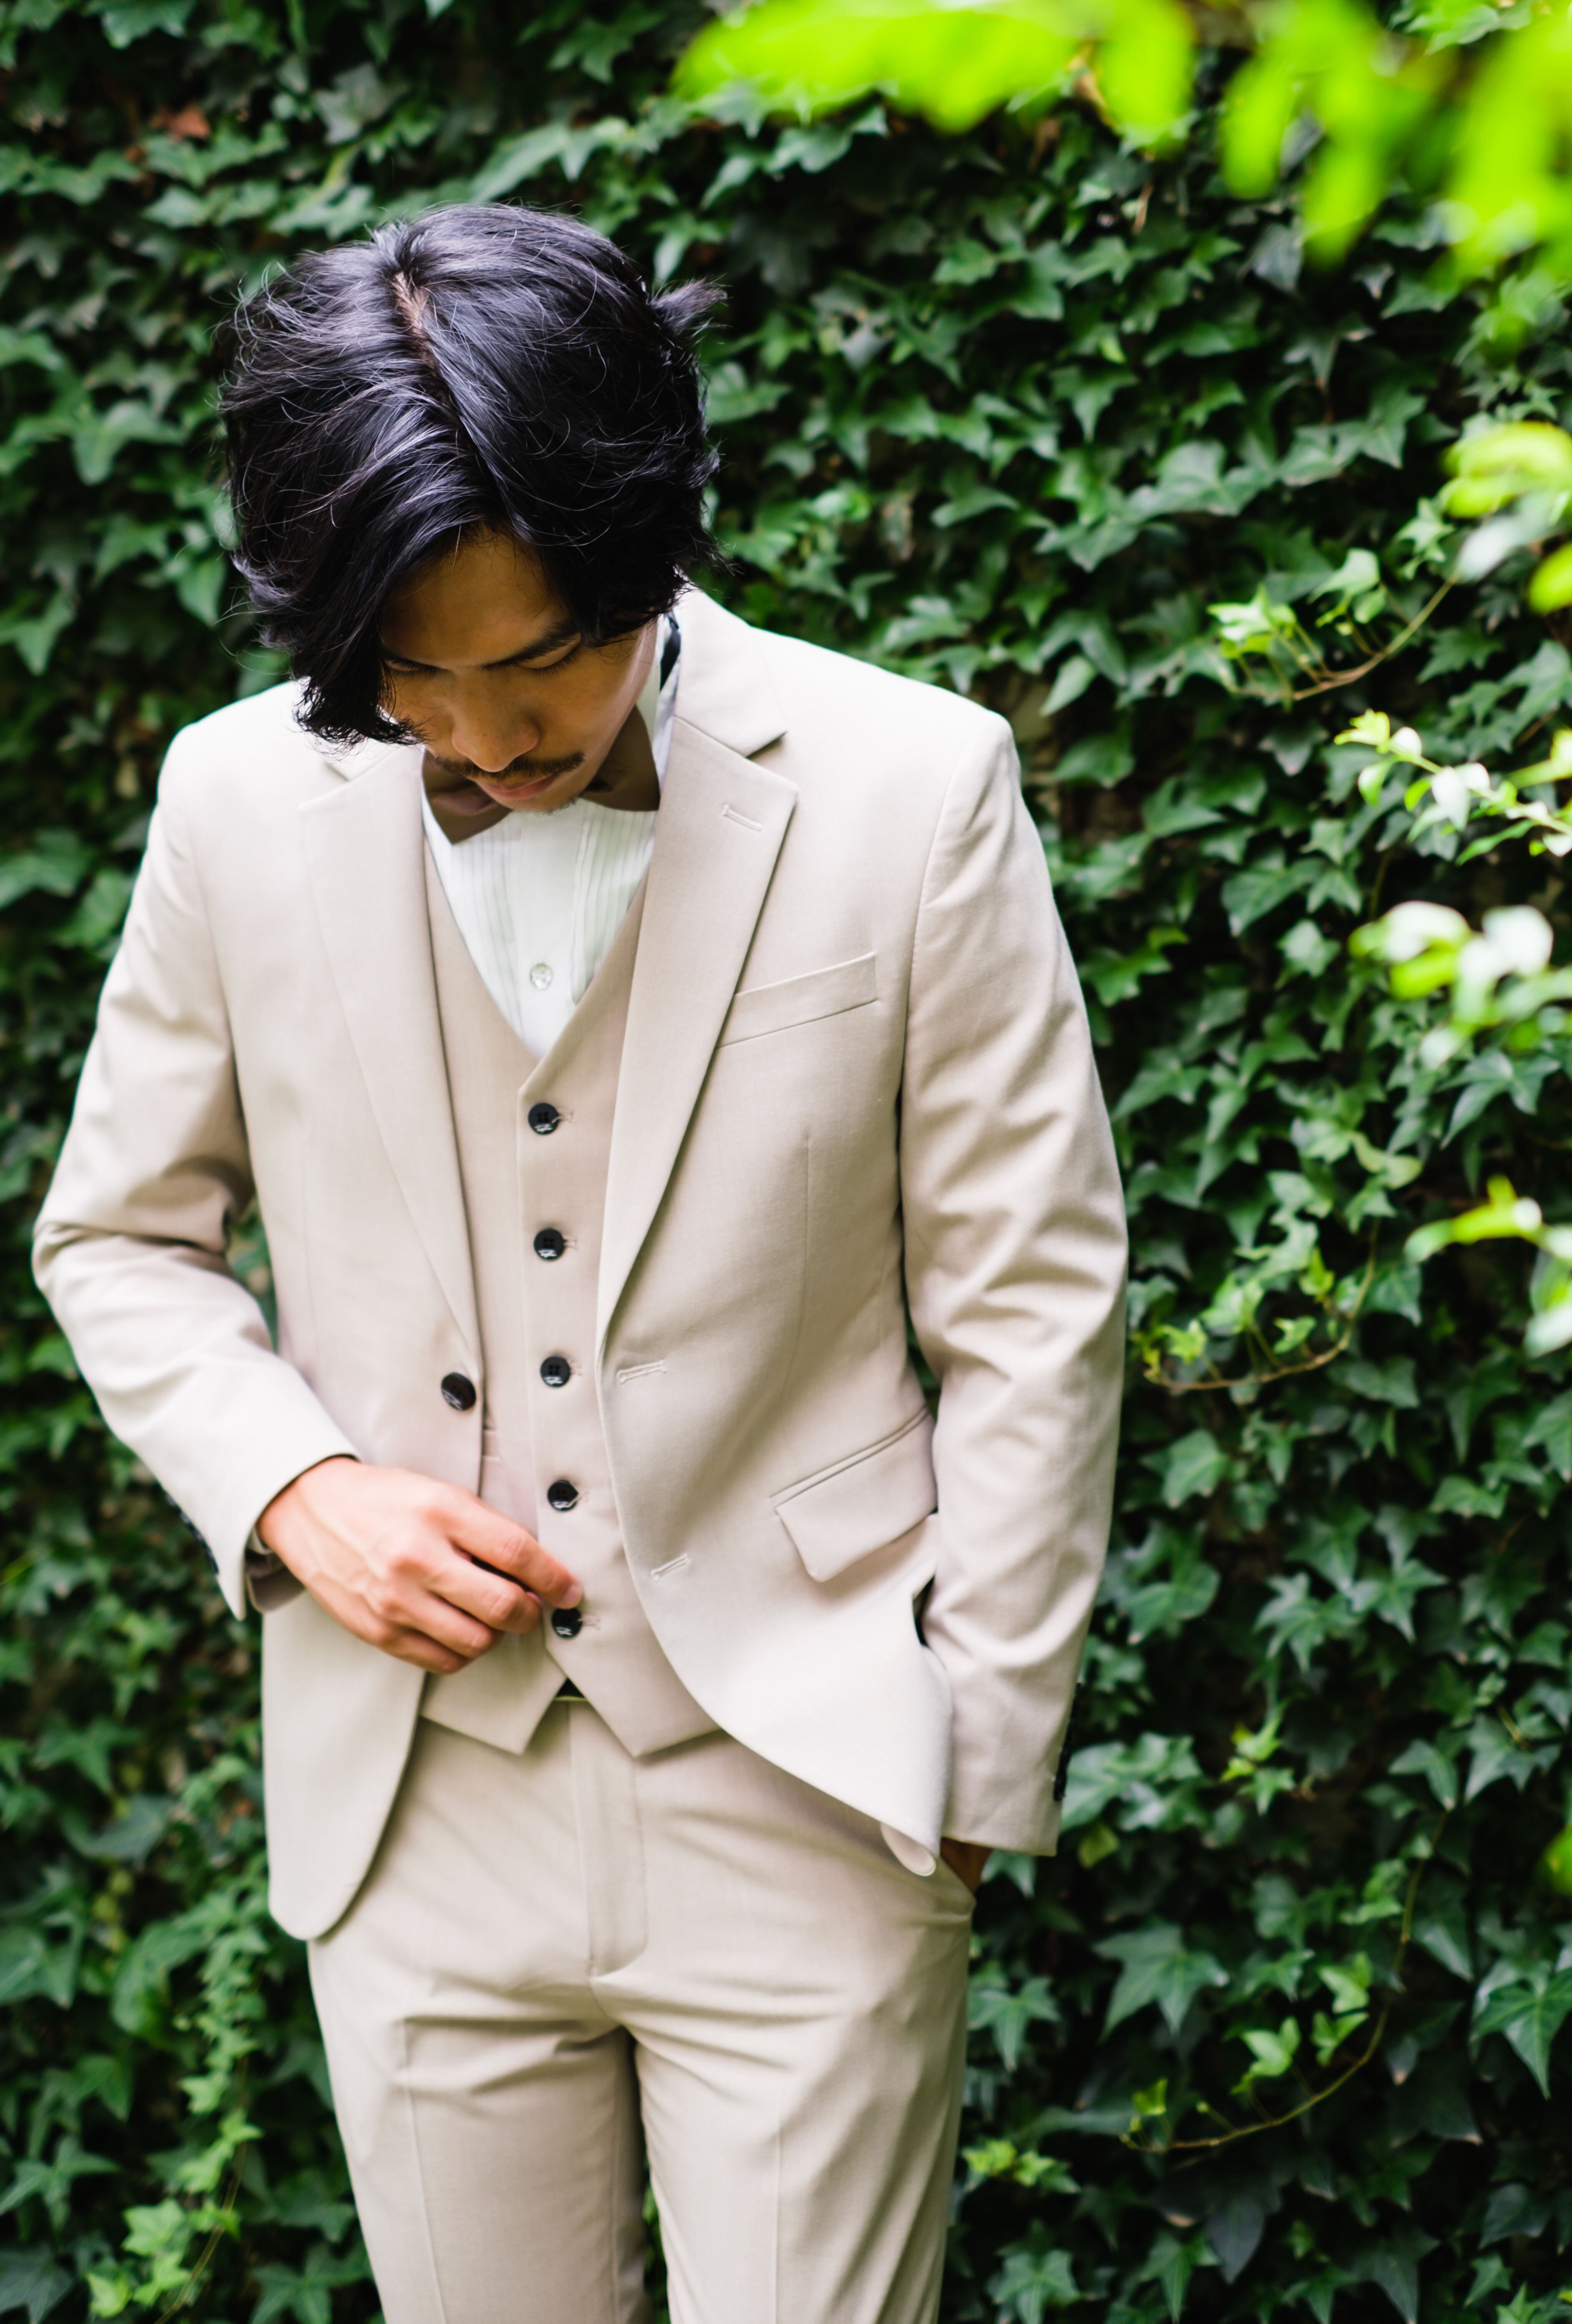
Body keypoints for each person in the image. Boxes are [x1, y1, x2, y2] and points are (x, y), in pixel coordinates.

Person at [34, 203, 1126, 2324]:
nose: (482, 737)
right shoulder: (234, 802)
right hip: (411, 1806)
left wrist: (972, 1761)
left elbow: (1031, 1299)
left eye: (533, 664)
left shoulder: (913, 788)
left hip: (807, 1783)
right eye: (408, 682)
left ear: (643, 553)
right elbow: (119, 1234)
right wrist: (295, 1491)